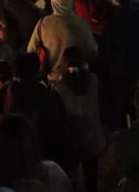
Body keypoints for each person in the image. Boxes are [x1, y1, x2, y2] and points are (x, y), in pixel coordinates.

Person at [51, 46, 105, 192]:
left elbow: (58, 118)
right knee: (92, 179)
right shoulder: (95, 80)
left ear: (64, 63)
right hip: (96, 140)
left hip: (74, 141)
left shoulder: (58, 88)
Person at [27, 0, 98, 80]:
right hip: (78, 77)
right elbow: (92, 51)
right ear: (70, 1)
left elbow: (31, 49)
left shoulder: (44, 23)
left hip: (53, 76)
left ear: (52, 2)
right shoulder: (80, 23)